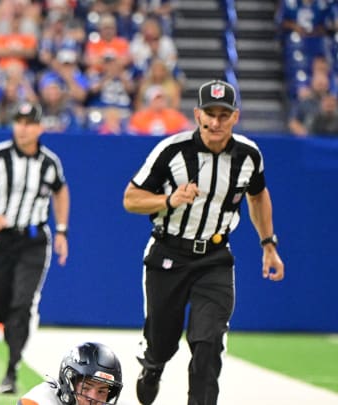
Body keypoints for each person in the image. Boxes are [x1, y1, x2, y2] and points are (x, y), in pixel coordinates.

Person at [122, 79, 285, 405]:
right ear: (197, 114)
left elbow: (258, 196)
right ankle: (153, 364)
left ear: (235, 117)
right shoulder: (172, 151)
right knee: (163, 340)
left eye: (223, 115)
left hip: (215, 257)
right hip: (168, 253)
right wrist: (169, 200)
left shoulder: (249, 155)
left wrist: (268, 244)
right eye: (209, 113)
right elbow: (131, 199)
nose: (216, 122)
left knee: (208, 343)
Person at [0, 101, 70, 394]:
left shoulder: (49, 162)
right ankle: (4, 326)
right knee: (2, 306)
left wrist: (62, 230)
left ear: (39, 127)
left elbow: (61, 190)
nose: (22, 127)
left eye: (28, 122)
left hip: (34, 240)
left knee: (22, 303)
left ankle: (12, 369)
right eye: (19, 121)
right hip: (2, 241)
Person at [18, 341, 123, 405]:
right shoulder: (40, 400)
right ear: (68, 383)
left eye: (101, 392)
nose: (94, 398)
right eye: (86, 388)